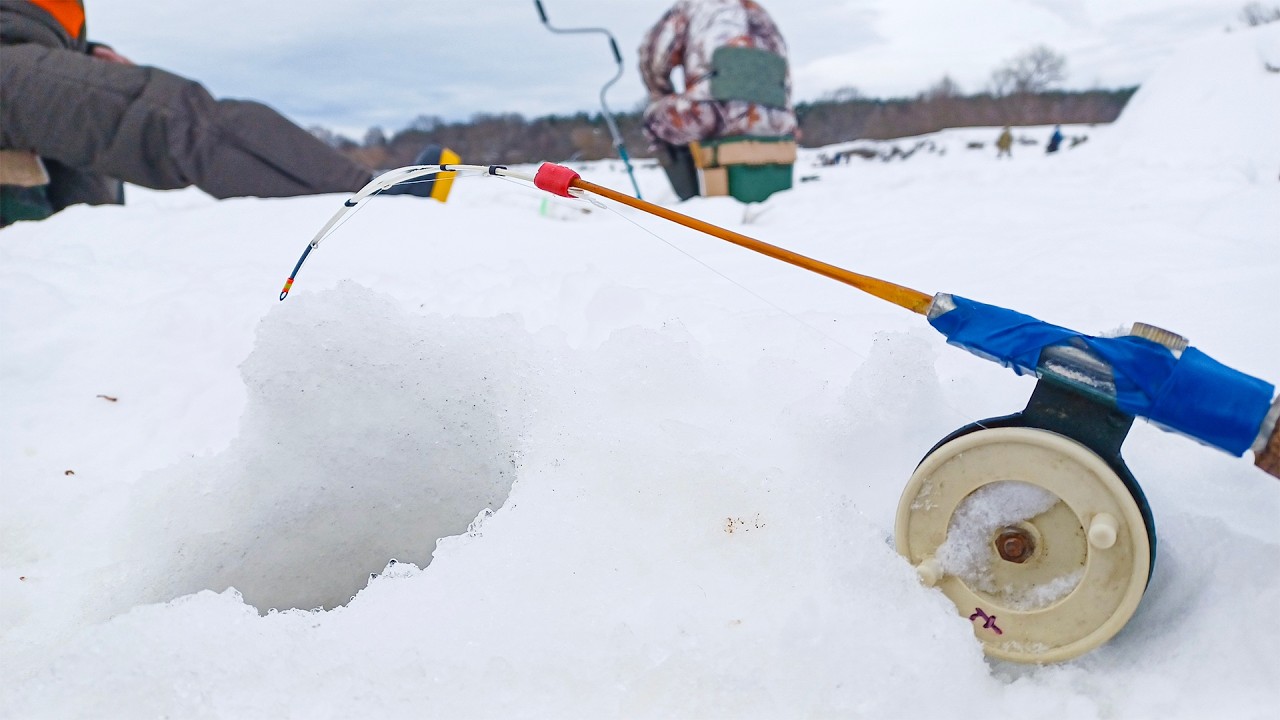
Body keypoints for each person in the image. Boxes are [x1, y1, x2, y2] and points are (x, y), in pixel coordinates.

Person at [0, 0, 430, 227]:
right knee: (171, 119)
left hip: (37, 54)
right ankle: (372, 204)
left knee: (85, 221)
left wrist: (84, 52)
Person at [638, 0, 797, 199]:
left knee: (654, 119)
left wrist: (661, 93)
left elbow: (654, 56)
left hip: (714, 114)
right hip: (780, 121)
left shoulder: (689, 7)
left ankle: (692, 200)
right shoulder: (760, 13)